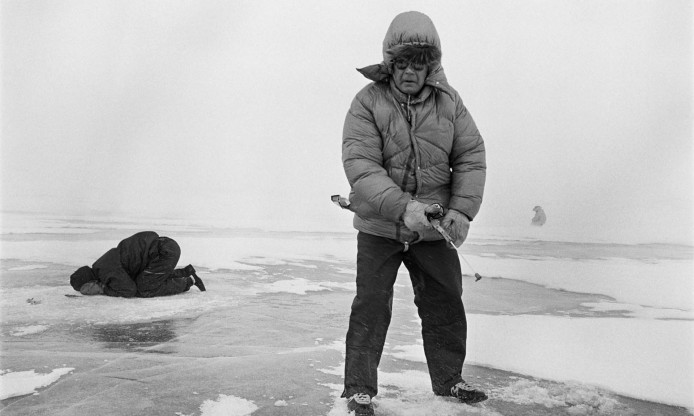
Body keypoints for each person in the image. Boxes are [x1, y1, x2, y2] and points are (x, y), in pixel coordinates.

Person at [340, 11, 487, 414]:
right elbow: (361, 165)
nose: (409, 72)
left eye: (418, 64)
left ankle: (449, 380)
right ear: (390, 63)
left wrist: (461, 212)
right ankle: (359, 388)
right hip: (379, 226)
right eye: (401, 63)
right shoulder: (366, 102)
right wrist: (404, 208)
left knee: (445, 301)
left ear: (431, 66)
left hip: (434, 230)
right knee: (371, 304)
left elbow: (471, 156)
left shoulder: (449, 102)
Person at [69, 231, 206, 298]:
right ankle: (185, 272)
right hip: (163, 249)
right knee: (146, 278)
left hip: (164, 252)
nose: (86, 293)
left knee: (144, 288)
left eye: (85, 290)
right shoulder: (101, 266)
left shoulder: (107, 271)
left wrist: (103, 290)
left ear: (90, 282)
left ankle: (188, 281)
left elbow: (129, 290)